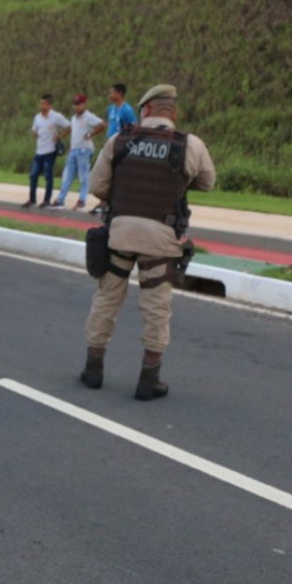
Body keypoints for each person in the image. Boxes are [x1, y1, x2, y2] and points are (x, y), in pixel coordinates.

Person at [80, 84, 216, 400]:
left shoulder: (120, 140)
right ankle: (148, 379)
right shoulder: (189, 145)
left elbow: (98, 184)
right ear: (173, 113)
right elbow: (208, 182)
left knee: (107, 298)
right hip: (161, 236)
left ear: (148, 110)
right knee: (156, 307)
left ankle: (93, 369)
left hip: (121, 233)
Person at [50, 94, 105, 210]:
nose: (77, 107)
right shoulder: (74, 118)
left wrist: (91, 134)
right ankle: (60, 200)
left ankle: (82, 200)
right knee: (67, 176)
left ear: (84, 104)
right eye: (75, 104)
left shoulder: (88, 116)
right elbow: (71, 129)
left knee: (83, 176)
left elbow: (102, 124)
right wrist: (60, 136)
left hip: (84, 149)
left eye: (79, 104)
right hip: (74, 149)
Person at [92, 83, 137, 215]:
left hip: (120, 147)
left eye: (112, 93)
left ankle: (113, 203)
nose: (110, 95)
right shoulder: (110, 108)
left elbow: (133, 128)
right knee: (103, 174)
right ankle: (103, 201)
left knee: (117, 175)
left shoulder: (127, 110)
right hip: (109, 145)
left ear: (119, 94)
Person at [22, 93, 69, 208]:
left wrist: (60, 136)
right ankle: (32, 199)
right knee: (33, 175)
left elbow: (69, 126)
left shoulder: (56, 116)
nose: (41, 106)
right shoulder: (37, 117)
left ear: (49, 105)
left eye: (43, 103)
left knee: (48, 176)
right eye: (41, 103)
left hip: (50, 151)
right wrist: (35, 134)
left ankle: (46, 200)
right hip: (39, 151)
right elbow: (34, 130)